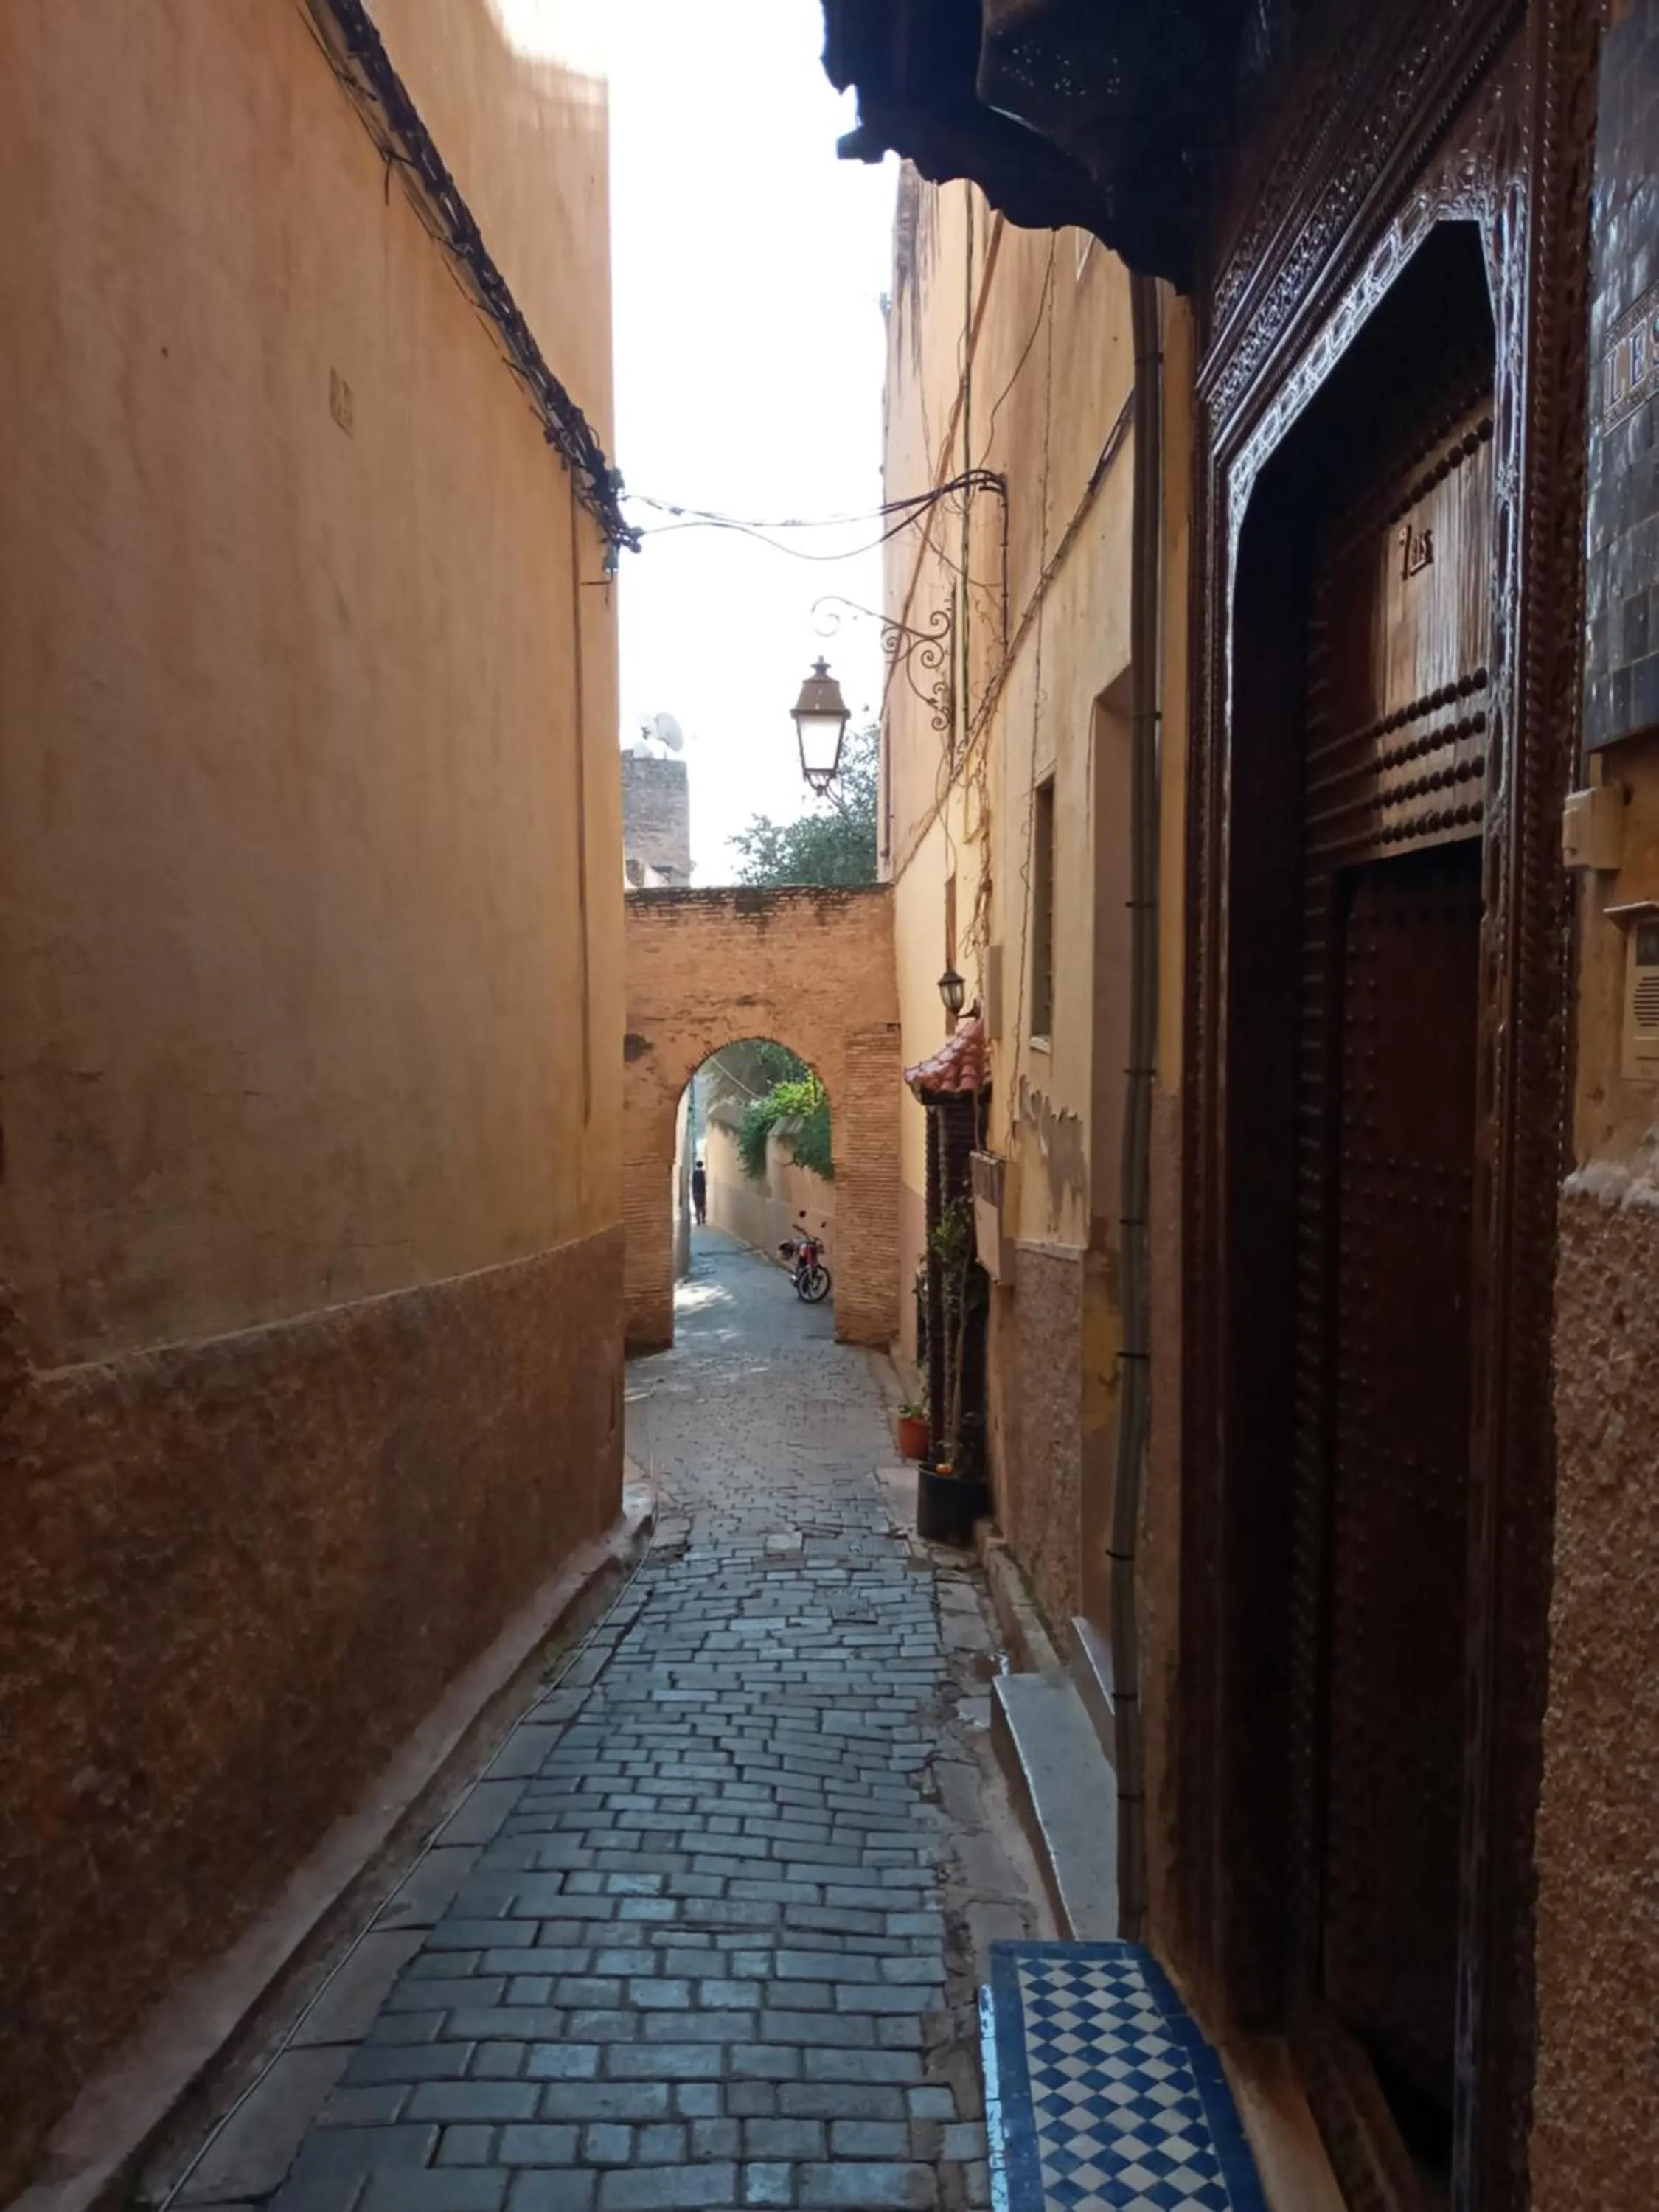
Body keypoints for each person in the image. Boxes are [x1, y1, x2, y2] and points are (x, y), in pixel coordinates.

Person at [691, 1157, 707, 1225]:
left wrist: (693, 1192)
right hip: (702, 1192)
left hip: (695, 1192)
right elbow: (705, 1182)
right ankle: (703, 1219)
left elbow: (693, 1183)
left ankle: (698, 1221)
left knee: (697, 1207)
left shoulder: (694, 1173)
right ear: (702, 1165)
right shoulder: (703, 1173)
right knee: (703, 1206)